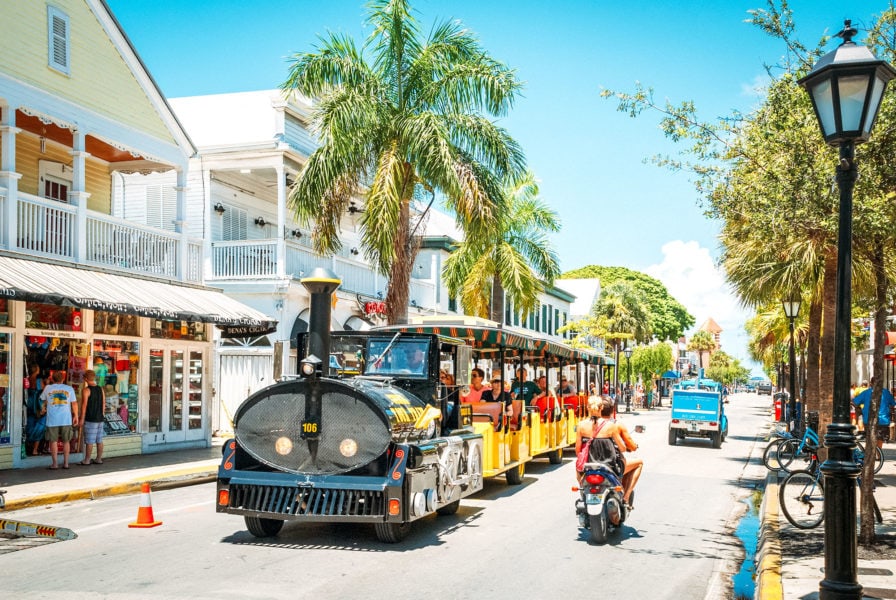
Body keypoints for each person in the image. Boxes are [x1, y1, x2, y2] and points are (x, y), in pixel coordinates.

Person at [575, 397, 643, 508]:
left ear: (587, 407)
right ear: (601, 408)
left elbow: (577, 451)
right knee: (639, 462)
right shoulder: (610, 426)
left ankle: (585, 495)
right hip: (609, 467)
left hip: (588, 466)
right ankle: (625, 498)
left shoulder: (581, 426)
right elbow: (623, 448)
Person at [39, 370, 79, 470]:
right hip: (66, 419)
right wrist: (76, 416)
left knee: (53, 441)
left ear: (52, 379)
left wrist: (44, 407)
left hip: (52, 419)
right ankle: (66, 464)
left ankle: (55, 464)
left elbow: (42, 399)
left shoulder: (48, 388)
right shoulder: (69, 388)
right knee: (66, 441)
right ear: (63, 379)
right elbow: (74, 403)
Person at [853, 378, 896, 448]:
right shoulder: (886, 393)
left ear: (871, 384)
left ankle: (870, 455)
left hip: (868, 419)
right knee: (880, 439)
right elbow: (893, 404)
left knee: (869, 439)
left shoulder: (866, 392)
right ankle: (878, 456)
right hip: (883, 420)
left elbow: (854, 402)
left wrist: (859, 410)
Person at [78, 370, 105, 465]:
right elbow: (103, 404)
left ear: (85, 379)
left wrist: (81, 418)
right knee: (99, 440)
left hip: (91, 419)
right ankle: (99, 459)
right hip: (100, 418)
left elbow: (84, 406)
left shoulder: (86, 390)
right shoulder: (100, 389)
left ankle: (87, 460)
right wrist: (102, 415)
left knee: (89, 440)